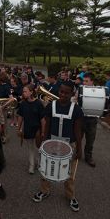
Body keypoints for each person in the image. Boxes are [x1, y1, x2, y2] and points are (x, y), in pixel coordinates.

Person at [32, 81, 83, 212]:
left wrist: (79, 147)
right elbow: (46, 125)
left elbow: (78, 130)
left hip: (69, 145)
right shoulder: (51, 106)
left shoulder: (76, 109)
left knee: (69, 173)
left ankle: (70, 196)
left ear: (72, 94)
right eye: (61, 92)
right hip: (51, 143)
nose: (63, 95)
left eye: (67, 93)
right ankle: (44, 190)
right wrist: (43, 141)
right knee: (46, 168)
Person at [17, 84, 45, 174]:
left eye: (25, 91)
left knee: (39, 148)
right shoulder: (23, 104)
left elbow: (43, 119)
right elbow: (20, 117)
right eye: (23, 91)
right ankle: (32, 165)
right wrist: (18, 128)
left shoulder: (39, 103)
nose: (23, 93)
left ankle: (40, 163)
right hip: (28, 128)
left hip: (37, 129)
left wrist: (43, 131)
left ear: (31, 92)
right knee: (30, 148)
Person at [80, 73, 98, 167]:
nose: (84, 83)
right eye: (84, 80)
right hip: (81, 118)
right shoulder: (81, 89)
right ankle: (77, 154)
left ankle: (88, 157)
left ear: (92, 81)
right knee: (78, 138)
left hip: (92, 120)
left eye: (86, 81)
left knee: (90, 140)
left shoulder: (99, 91)